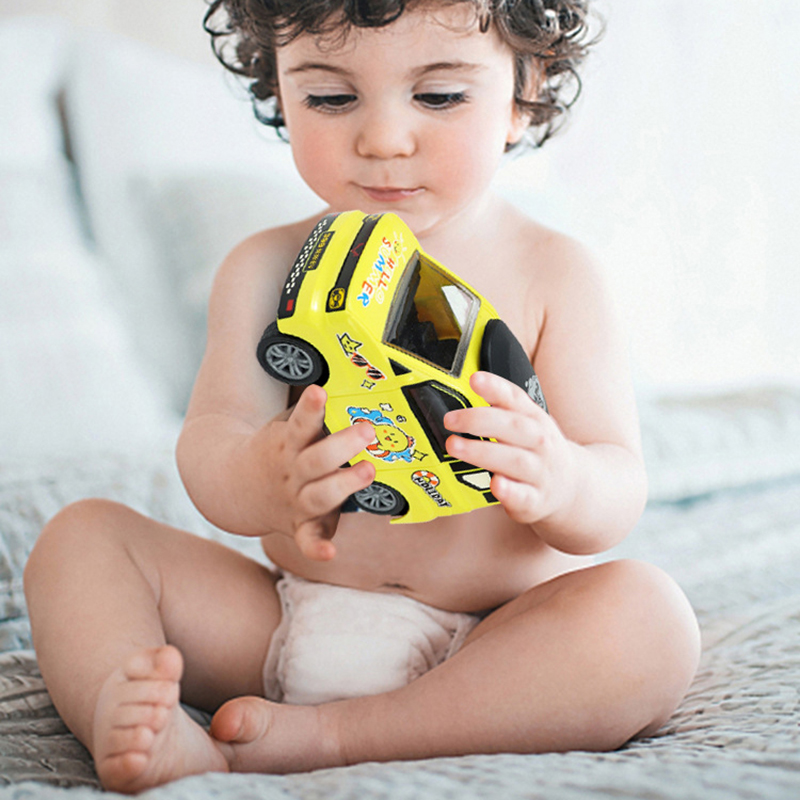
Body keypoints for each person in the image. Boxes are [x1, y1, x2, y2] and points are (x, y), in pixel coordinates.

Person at [23, 0, 701, 793]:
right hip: (285, 616)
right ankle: (132, 709)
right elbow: (210, 444)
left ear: (523, 93)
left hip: (490, 644)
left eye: (438, 96)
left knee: (649, 622)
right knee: (80, 538)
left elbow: (616, 482)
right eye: (331, 97)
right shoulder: (264, 267)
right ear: (279, 91)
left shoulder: (557, 273)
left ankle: (332, 738)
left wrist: (562, 478)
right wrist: (262, 475)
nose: (382, 139)